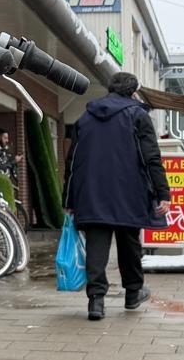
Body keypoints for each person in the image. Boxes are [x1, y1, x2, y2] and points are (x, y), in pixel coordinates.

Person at [64, 72, 171, 320]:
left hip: (91, 193)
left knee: (96, 247)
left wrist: (68, 199)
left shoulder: (85, 117)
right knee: (129, 243)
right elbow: (151, 157)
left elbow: (72, 161)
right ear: (133, 92)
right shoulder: (138, 116)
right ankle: (133, 293)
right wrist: (162, 192)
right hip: (129, 192)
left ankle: (96, 301)